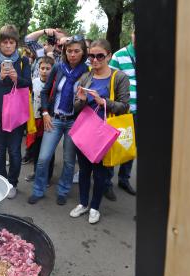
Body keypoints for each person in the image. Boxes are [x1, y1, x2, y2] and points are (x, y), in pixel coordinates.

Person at [70, 39, 130, 224]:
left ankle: (95, 207)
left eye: (99, 56)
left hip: (104, 133)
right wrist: (80, 99)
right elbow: (77, 107)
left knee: (100, 173)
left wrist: (104, 102)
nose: (95, 60)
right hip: (86, 130)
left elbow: (125, 106)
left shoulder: (118, 77)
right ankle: (83, 203)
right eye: (91, 56)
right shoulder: (86, 77)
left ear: (109, 56)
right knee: (84, 171)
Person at [28, 36, 88, 206]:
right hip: (54, 119)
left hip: (74, 122)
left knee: (69, 161)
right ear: (64, 51)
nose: (72, 54)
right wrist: (45, 112)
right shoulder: (58, 67)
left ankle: (63, 190)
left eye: (76, 51)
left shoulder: (86, 71)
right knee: (43, 158)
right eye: (69, 51)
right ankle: (38, 190)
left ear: (83, 52)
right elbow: (46, 91)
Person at [0, 24, 32, 199]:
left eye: (11, 42)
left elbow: (28, 84)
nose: (8, 45)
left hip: (16, 113)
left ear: (16, 44)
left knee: (14, 151)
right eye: (5, 42)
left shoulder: (23, 61)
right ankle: (1, 182)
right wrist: (1, 76)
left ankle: (12, 183)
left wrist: (17, 79)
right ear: (0, 43)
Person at [104, 30, 137, 201]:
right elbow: (110, 82)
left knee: (130, 148)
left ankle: (124, 179)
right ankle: (107, 183)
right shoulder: (119, 56)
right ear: (132, 34)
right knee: (114, 147)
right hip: (121, 111)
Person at [25, 56, 56, 182]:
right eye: (42, 68)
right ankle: (36, 172)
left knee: (48, 150)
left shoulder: (55, 84)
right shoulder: (33, 82)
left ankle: (48, 176)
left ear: (52, 69)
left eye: (48, 68)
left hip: (49, 120)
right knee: (36, 148)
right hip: (35, 120)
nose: (44, 71)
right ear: (38, 68)